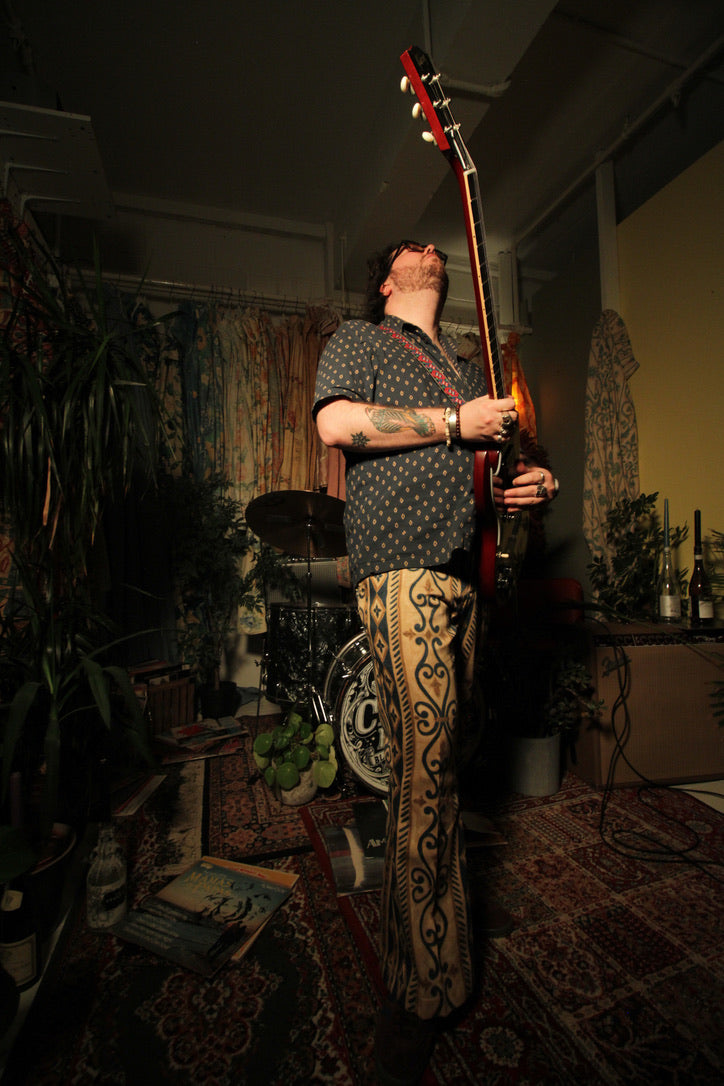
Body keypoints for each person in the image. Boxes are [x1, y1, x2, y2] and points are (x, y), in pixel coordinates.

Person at [313, 241, 556, 1086]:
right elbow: (337, 425)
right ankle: (412, 997)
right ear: (388, 280)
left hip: (465, 576)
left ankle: (445, 959)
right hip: (400, 567)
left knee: (447, 766)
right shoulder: (362, 340)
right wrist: (457, 424)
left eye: (433, 246)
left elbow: (481, 479)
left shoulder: (461, 367)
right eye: (408, 248)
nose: (428, 247)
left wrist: (521, 483)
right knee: (421, 767)